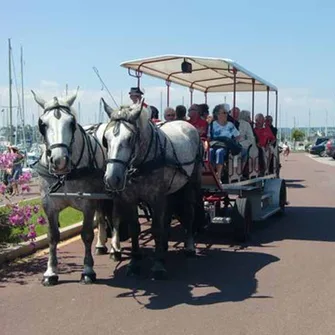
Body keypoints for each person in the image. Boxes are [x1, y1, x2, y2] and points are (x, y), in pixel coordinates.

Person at [207, 104, 240, 181]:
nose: (226, 115)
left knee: (219, 152)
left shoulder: (230, 125)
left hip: (225, 146)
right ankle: (212, 173)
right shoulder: (212, 124)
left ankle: (218, 176)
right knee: (210, 152)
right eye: (224, 113)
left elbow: (238, 136)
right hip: (214, 144)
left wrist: (233, 142)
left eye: (226, 113)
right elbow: (209, 137)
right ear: (217, 114)